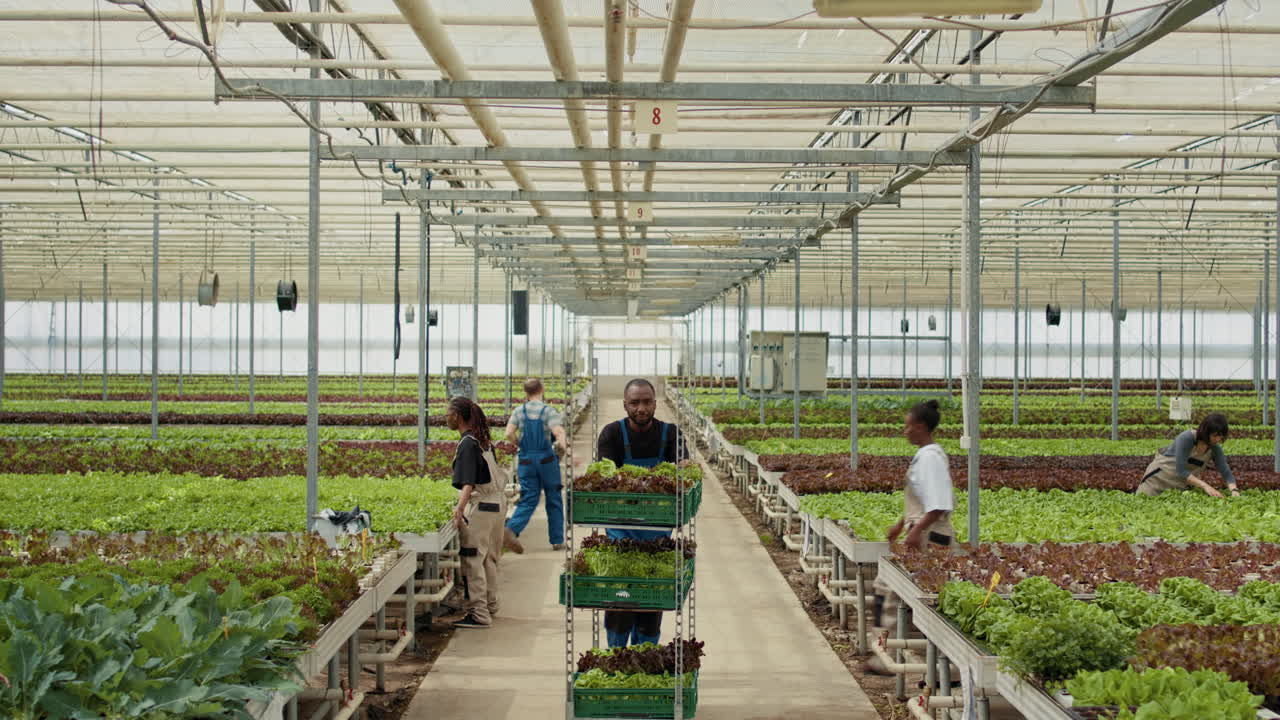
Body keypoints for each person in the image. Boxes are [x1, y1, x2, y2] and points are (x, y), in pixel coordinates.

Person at [595, 377, 689, 648]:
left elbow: (684, 466)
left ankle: (643, 653)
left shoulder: (670, 434)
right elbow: (605, 476)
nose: (641, 408)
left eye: (647, 401)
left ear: (655, 403)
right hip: (620, 534)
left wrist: (683, 470)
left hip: (656, 537)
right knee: (620, 600)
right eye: (635, 402)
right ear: (625, 405)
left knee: (651, 603)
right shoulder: (611, 434)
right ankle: (616, 653)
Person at [447, 396, 509, 629]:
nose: (446, 418)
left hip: (482, 507)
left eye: (448, 413)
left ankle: (479, 614)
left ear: (458, 416)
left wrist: (459, 508)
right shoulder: (483, 441)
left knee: (473, 558)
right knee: (490, 558)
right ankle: (490, 605)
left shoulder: (467, 443)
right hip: (497, 505)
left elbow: (468, 483)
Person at [502, 378, 570, 554]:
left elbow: (508, 432)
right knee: (553, 498)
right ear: (542, 389)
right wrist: (567, 450)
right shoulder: (548, 411)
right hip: (546, 461)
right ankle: (557, 540)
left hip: (526, 461)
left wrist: (519, 444)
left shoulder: (519, 411)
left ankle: (512, 529)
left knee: (529, 497)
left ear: (526, 392)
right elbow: (558, 432)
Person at [886, 399, 956, 550]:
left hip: (931, 536)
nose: (905, 432)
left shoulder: (930, 457)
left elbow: (939, 505)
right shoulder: (925, 455)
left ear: (920, 427)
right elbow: (923, 501)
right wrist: (900, 526)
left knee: (933, 571)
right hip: (927, 532)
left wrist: (917, 530)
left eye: (908, 426)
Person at [1137, 413, 1241, 498]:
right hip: (1157, 480)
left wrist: (1234, 490)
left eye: (1221, 436)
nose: (1218, 440)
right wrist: (1205, 486)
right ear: (1206, 432)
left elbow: (1226, 472)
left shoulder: (1214, 448)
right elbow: (1181, 471)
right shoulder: (1187, 438)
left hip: (1178, 486)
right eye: (1215, 436)